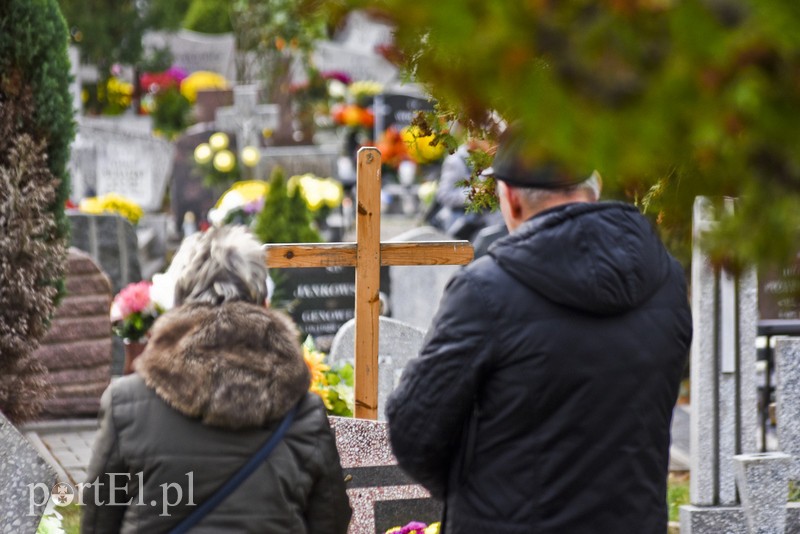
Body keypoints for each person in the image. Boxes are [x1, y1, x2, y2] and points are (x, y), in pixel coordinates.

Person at [386, 125, 692, 533]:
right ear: (593, 190)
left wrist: (479, 493)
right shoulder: (665, 280)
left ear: (510, 200)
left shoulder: (485, 291)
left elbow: (414, 430)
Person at [82, 226, 352, 533]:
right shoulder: (304, 412)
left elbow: (98, 521)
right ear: (263, 303)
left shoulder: (125, 403)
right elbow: (330, 521)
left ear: (179, 304)